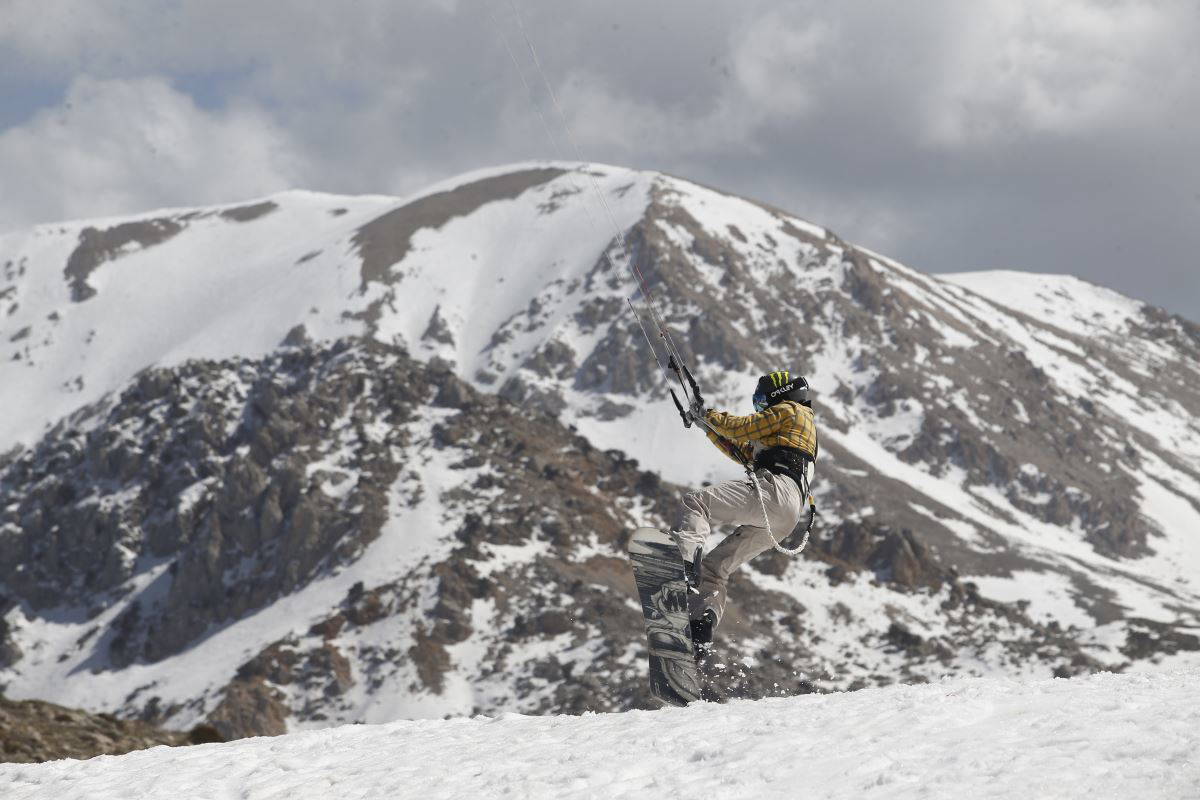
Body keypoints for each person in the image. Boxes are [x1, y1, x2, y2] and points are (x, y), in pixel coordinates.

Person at [673, 370, 819, 646]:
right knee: (715, 570)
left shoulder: (791, 410)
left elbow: (743, 428)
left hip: (776, 490)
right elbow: (741, 449)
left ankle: (681, 568)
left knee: (696, 503)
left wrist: (709, 415)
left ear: (779, 394)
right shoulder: (795, 431)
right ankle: (701, 629)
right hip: (787, 515)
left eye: (763, 403)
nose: (761, 409)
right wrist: (706, 425)